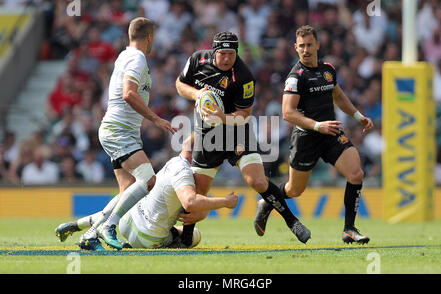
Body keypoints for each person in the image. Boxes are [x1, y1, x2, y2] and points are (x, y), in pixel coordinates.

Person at [175, 31, 311, 244]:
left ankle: (292, 221)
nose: (228, 58)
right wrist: (197, 94)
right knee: (198, 192)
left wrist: (222, 116)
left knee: (256, 180)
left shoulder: (244, 76)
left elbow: (244, 114)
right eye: (223, 54)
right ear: (214, 51)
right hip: (207, 134)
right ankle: (186, 239)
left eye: (232, 54)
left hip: (236, 129)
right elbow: (180, 84)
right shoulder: (198, 60)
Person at [254, 25, 374, 244]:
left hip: (330, 134)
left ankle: (349, 229)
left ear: (318, 45)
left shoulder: (328, 69)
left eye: (309, 45)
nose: (306, 50)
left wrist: (359, 116)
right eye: (301, 46)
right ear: (295, 48)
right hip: (306, 138)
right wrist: (318, 126)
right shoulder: (295, 77)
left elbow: (338, 96)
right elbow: (287, 113)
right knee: (294, 189)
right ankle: (268, 202)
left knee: (356, 173)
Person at [77, 17, 178, 251]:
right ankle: (108, 226)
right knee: (149, 180)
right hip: (118, 130)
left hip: (121, 131)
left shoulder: (124, 55)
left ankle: (89, 234)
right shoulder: (137, 58)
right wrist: (156, 119)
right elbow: (128, 93)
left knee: (128, 189)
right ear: (150, 38)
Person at [55, 137, 238, 251]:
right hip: (147, 237)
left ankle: (76, 225)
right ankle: (172, 244)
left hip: (127, 222)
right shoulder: (184, 173)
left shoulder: (175, 161)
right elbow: (190, 202)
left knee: (125, 200)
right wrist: (224, 202)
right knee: (194, 235)